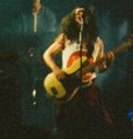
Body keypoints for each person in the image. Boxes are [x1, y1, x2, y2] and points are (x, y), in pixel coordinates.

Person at [43, 7, 114, 139]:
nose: (80, 14)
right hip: (69, 90)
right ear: (72, 18)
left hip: (89, 91)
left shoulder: (97, 42)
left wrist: (108, 63)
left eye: (83, 12)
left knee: (93, 128)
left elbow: (99, 68)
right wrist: (55, 68)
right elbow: (47, 54)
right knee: (68, 129)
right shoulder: (66, 38)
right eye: (77, 13)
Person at [19, 0, 60, 127]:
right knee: (26, 93)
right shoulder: (23, 15)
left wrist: (37, 49)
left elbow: (47, 38)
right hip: (26, 59)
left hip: (42, 60)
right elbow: (21, 37)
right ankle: (26, 125)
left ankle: (44, 126)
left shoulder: (49, 15)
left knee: (44, 92)